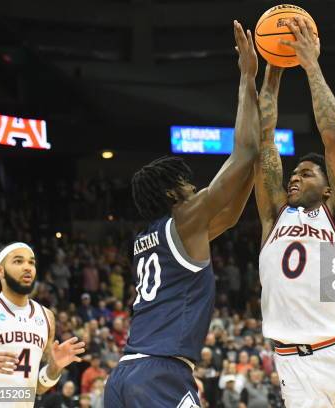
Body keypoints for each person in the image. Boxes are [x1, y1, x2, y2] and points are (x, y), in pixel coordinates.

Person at [104, 20, 260, 408]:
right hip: (160, 372)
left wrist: (258, 164)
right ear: (174, 192)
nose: (194, 188)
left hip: (124, 375)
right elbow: (240, 155)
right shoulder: (185, 219)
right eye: (188, 184)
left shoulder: (153, 238)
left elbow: (233, 213)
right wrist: (247, 77)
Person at [255, 15, 335, 407]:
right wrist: (273, 71)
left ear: (328, 188)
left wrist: (310, 65)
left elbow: (334, 138)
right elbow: (265, 140)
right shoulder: (275, 215)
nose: (294, 178)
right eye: (293, 173)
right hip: (290, 360)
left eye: (306, 173)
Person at [0, 242, 85, 407]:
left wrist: (55, 368)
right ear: (0, 270)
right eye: (18, 261)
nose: (27, 267)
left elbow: (37, 388)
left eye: (31, 262)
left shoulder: (46, 317)